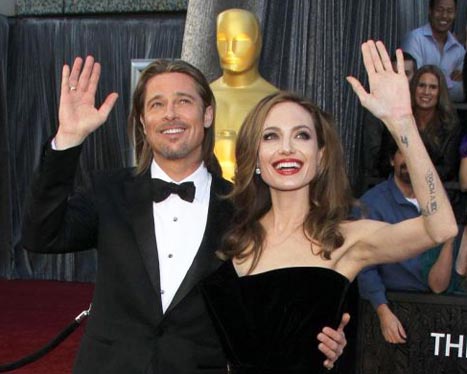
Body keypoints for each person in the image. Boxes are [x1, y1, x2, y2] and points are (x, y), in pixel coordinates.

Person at [20, 57, 347, 373]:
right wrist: (69, 139)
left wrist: (322, 337)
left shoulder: (243, 207)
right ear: (143, 123)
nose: (170, 115)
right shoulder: (108, 191)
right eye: (156, 104)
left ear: (207, 114)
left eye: (183, 102)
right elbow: (41, 235)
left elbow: (279, 297)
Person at [199, 40, 457, 373]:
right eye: (271, 136)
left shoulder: (346, 239)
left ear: (320, 157)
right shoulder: (234, 238)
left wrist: (402, 122)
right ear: (256, 158)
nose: (287, 148)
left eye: (302, 136)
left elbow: (441, 227)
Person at [358, 135, 446, 344]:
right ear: (391, 160)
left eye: (415, 153)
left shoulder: (440, 202)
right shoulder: (372, 204)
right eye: (401, 152)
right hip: (391, 310)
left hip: (440, 309)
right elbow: (363, 265)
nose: (408, 159)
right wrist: (383, 311)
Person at [210, 8, 278, 180]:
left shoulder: (275, 101)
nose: (230, 50)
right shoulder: (200, 97)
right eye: (222, 40)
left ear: (258, 43)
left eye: (241, 41)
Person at [363, 52, 417, 184]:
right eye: (396, 73)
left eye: (406, 74)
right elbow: (372, 153)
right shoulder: (377, 107)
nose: (401, 79)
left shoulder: (422, 104)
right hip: (386, 179)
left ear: (416, 76)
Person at [401, 0, 465, 102]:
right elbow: (414, 83)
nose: (444, 15)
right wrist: (449, 82)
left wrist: (429, 82)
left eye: (450, 11)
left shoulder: (459, 50)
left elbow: (461, 93)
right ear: (430, 11)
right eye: (439, 10)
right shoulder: (414, 39)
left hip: (446, 115)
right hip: (416, 114)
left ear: (455, 13)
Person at [411, 64, 460, 182]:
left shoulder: (450, 125)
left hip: (437, 188)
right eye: (421, 85)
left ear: (440, 92)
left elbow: (448, 169)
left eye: (433, 87)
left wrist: (416, 173)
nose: (426, 92)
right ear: (414, 88)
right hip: (401, 185)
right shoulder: (401, 119)